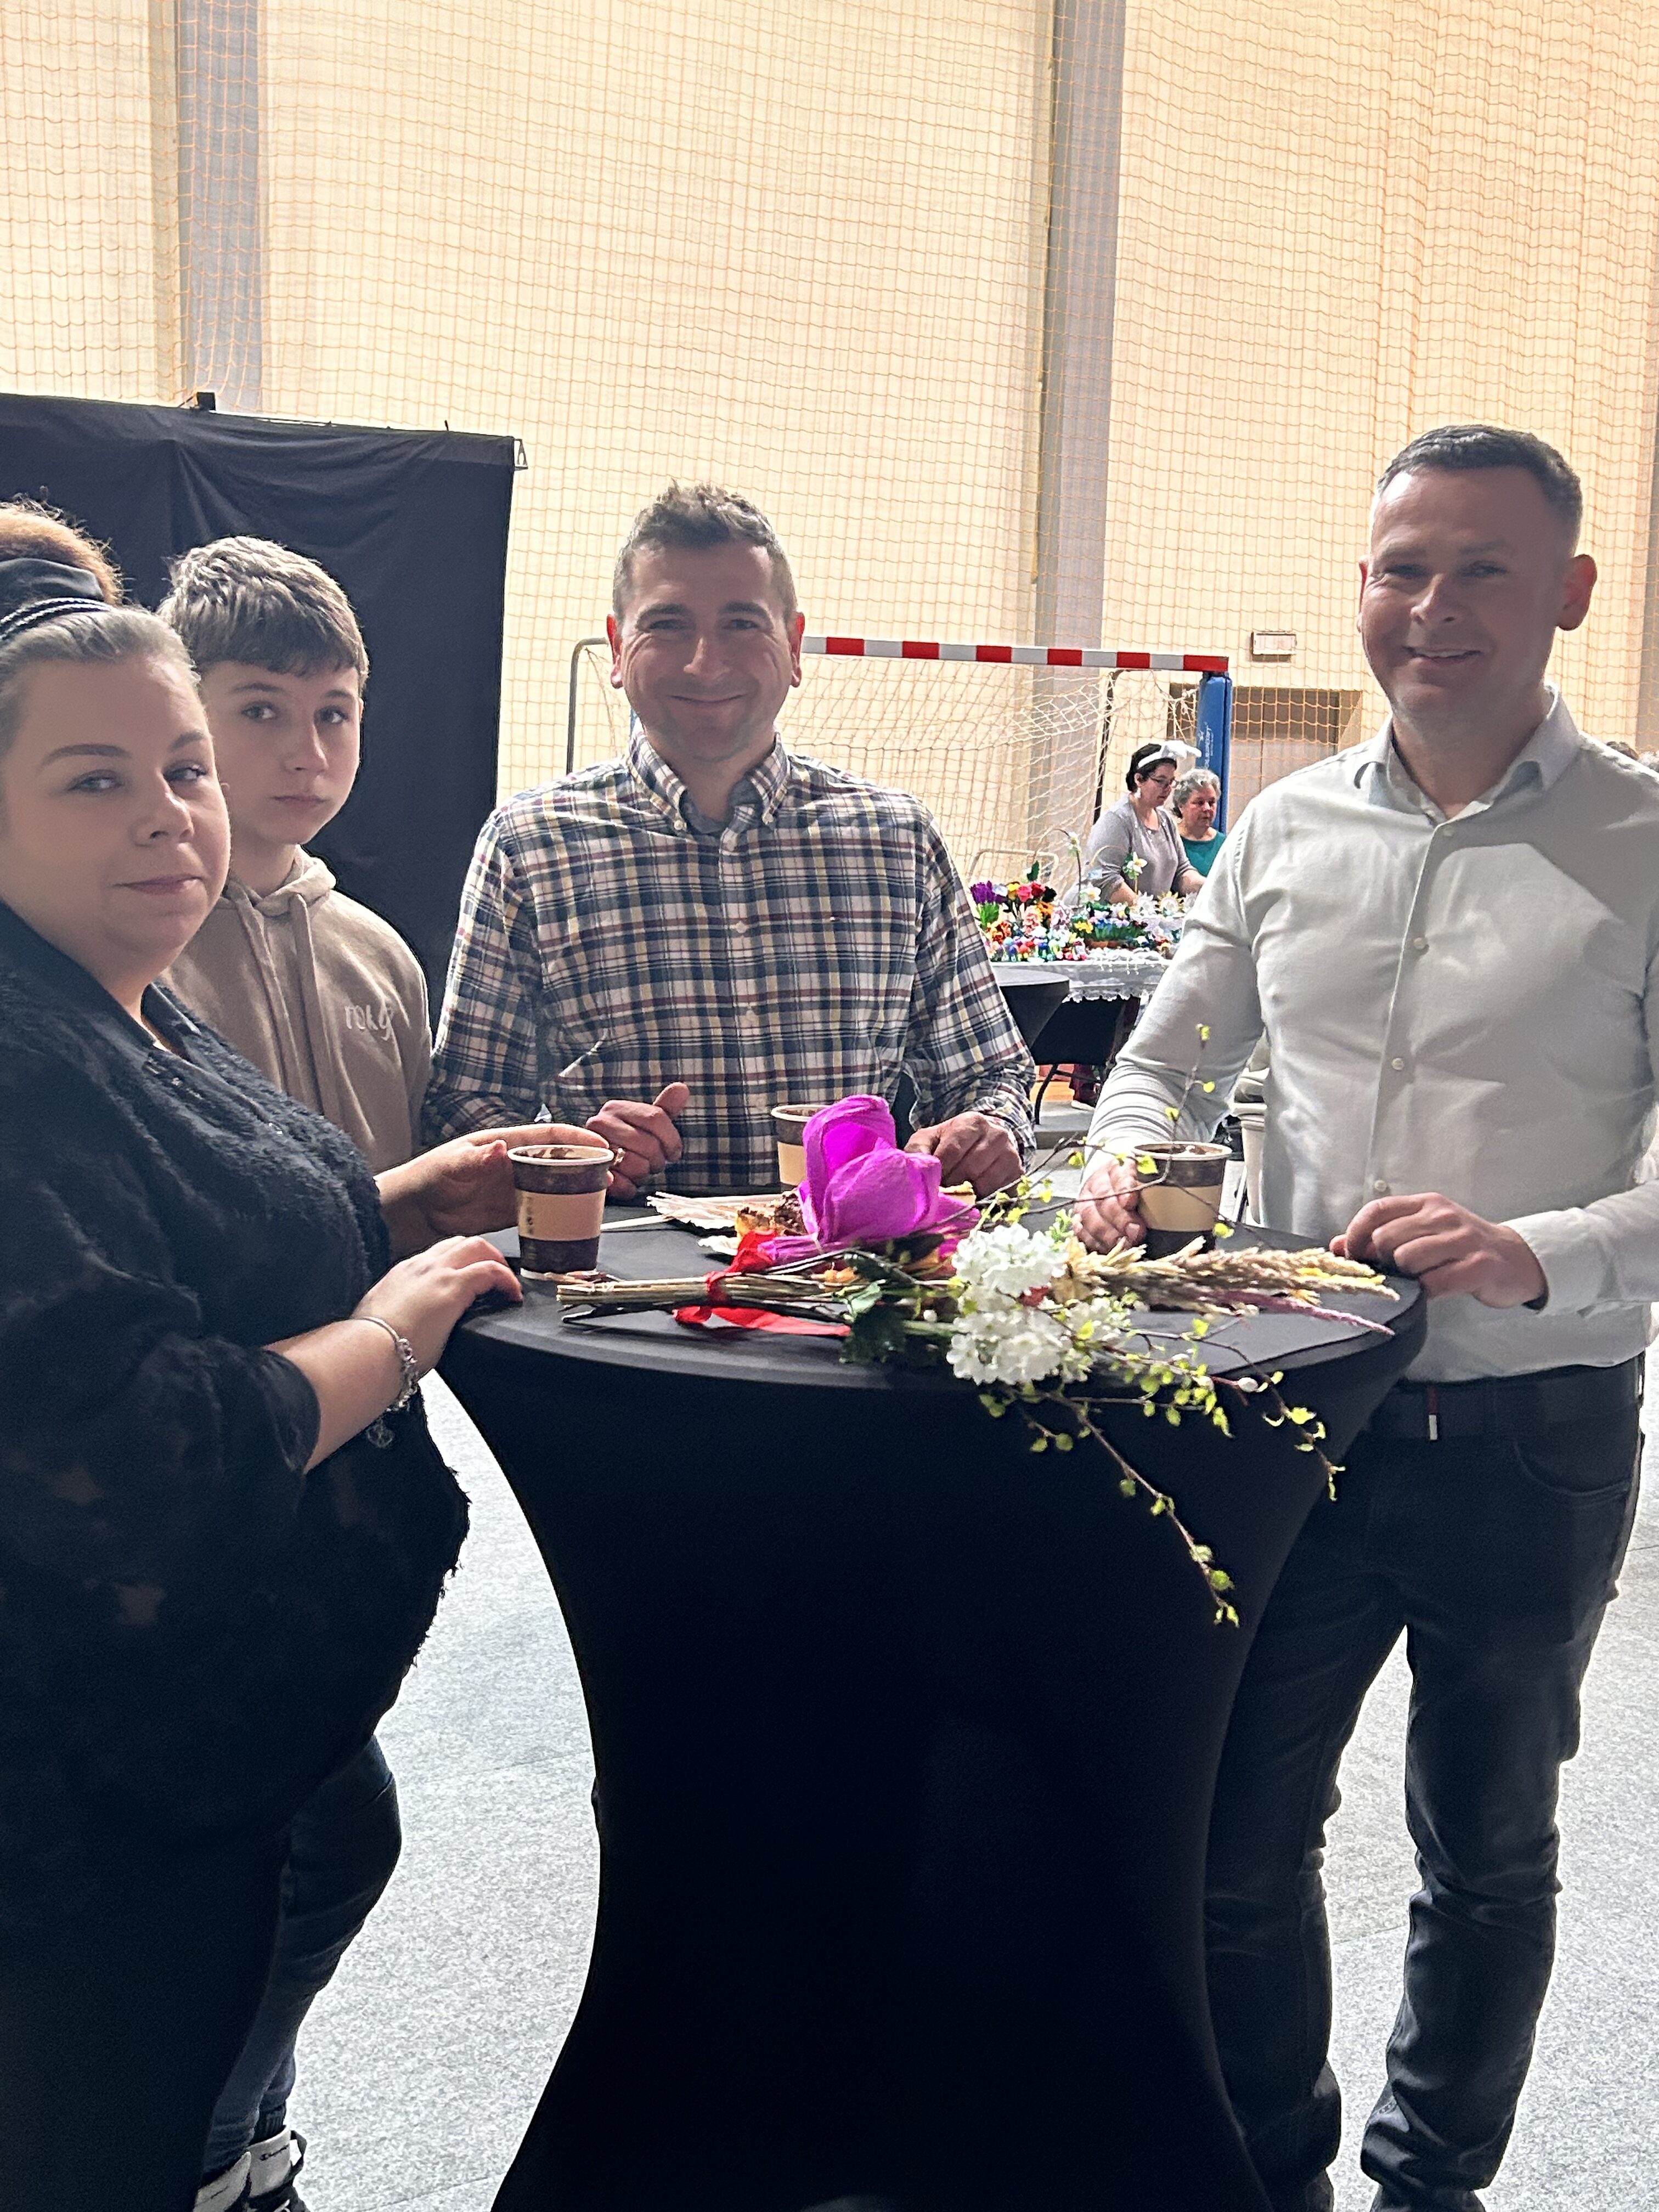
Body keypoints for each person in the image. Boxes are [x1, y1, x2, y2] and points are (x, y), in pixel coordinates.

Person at [1074, 424, 1656, 2212]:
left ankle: (1428, 2188)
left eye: (1484, 569)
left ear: (1568, 593)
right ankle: (1275, 2178)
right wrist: (1129, 1163)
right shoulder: (1280, 829)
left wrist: (1531, 1247)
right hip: (1290, 1419)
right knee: (1231, 1844)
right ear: (1362, 588)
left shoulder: (1645, 841)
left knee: (1486, 1854)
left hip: (1532, 1440)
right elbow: (1163, 1070)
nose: (1434, 607)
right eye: (1404, 567)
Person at [0, 539, 554, 2210]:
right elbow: (138, 1452)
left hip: (216, 1733)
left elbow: (180, 1247)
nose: (169, 817)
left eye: (181, 770)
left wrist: (399, 1202)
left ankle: (232, 2162)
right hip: (92, 1789)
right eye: (95, 780)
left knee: (295, 1901)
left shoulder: (117, 998)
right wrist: (395, 1328)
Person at [426, 482, 1034, 1197]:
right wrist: (570, 1152)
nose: (706, 662)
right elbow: (461, 1110)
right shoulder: (531, 848)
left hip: (847, 1263)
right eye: (668, 625)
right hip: (617, 1266)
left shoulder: (897, 842)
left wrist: (985, 1131)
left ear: (794, 647)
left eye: (742, 624)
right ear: (618, 649)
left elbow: (988, 1074)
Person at [159, 538, 430, 1175]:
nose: (308, 755)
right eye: (262, 711)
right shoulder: (134, 951)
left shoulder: (385, 959)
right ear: (180, 714)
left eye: (333, 714)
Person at [1083, 741, 1205, 904]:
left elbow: (1182, 872)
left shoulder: (1166, 820)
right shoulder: (1117, 820)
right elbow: (1105, 878)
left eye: (1171, 782)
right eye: (1160, 781)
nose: (1168, 788)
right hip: (1104, 915)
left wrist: (1208, 886)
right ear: (1139, 779)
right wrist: (1145, 910)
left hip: (1148, 915)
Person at [1171, 764, 1225, 877]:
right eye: (1200, 803)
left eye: (1212, 802)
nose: (1207, 808)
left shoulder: (1224, 844)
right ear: (1181, 805)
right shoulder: (1170, 839)